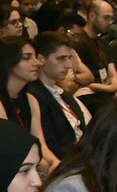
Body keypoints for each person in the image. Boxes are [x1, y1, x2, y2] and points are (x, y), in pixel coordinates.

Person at [0, 35, 58, 167]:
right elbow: (7, 148)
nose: (36, 63)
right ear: (8, 62)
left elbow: (41, 145)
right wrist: (43, 165)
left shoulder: (30, 99)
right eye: (27, 58)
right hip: (4, 166)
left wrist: (57, 164)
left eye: (35, 56)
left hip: (26, 162)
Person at [26, 32, 91, 163]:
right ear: (41, 59)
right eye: (61, 58)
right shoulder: (33, 97)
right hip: (67, 163)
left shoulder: (65, 95)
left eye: (69, 58)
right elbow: (51, 145)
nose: (68, 65)